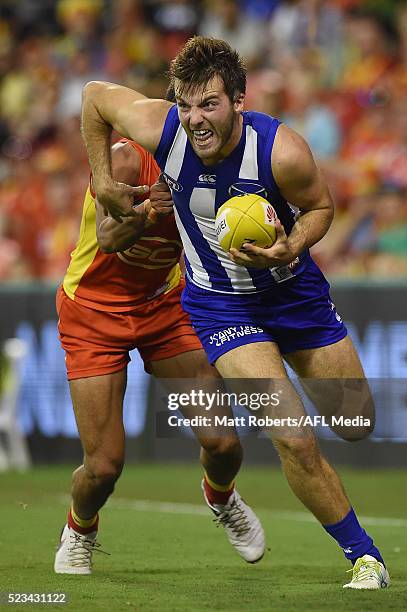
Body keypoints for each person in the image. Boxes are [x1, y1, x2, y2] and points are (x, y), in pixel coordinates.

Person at [80, 37, 389, 590]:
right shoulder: (162, 129)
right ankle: (364, 556)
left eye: (210, 105)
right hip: (221, 307)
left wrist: (290, 246)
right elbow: (94, 97)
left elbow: (322, 206)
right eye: (186, 104)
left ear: (238, 101)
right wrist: (103, 178)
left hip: (296, 297)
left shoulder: (281, 151)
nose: (195, 120)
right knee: (293, 437)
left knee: (356, 423)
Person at [54, 136, 266, 575]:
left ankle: (222, 496)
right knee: (104, 466)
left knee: (224, 444)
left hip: (165, 306)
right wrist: (151, 209)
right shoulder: (128, 159)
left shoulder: (229, 173)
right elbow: (108, 238)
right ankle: (80, 528)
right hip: (92, 312)